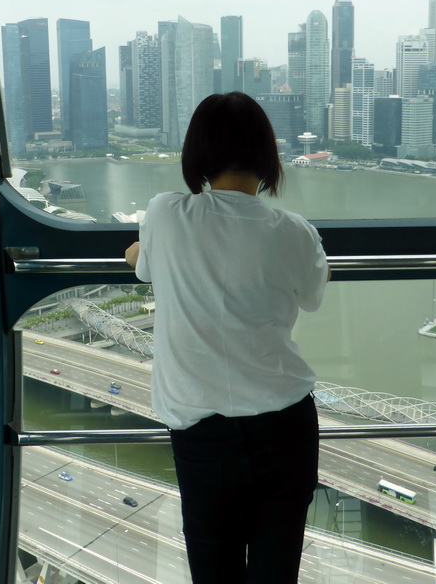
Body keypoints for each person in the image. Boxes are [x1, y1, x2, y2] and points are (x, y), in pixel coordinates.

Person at [124, 91, 330, 583]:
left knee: (213, 570)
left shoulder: (167, 214)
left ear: (197, 155)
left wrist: (139, 253)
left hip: (202, 433)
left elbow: (142, 262)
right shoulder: (295, 231)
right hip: (286, 425)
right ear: (268, 157)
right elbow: (313, 296)